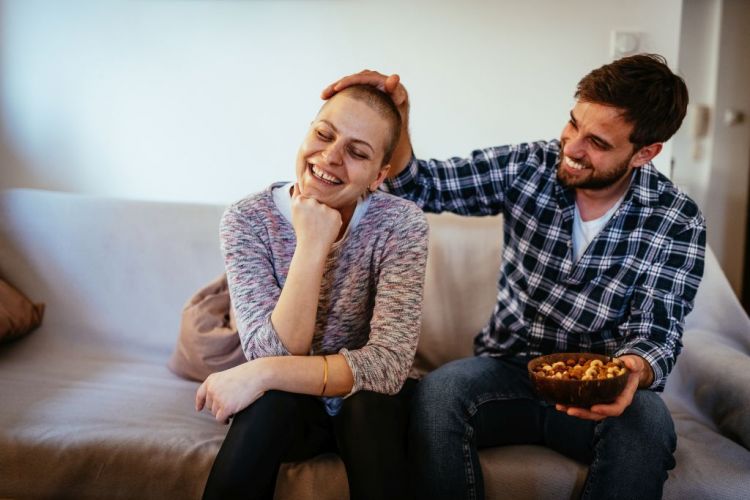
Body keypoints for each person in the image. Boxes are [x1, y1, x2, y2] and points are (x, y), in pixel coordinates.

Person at [323, 54, 706, 499]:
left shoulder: (677, 218)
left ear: (646, 152)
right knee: (438, 395)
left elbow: (656, 331)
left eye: (597, 143)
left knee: (649, 423)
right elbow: (420, 187)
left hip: (599, 385)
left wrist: (629, 373)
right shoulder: (530, 166)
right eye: (573, 123)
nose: (572, 146)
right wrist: (401, 116)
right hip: (507, 368)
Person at [197, 84, 429, 500]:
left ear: (379, 176)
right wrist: (312, 244)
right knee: (270, 403)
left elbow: (388, 366)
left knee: (367, 405)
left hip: (368, 408)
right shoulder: (247, 220)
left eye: (357, 152)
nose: (331, 157)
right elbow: (273, 350)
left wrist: (261, 372)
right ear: (307, 133)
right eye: (324, 135)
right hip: (289, 413)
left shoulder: (402, 224)